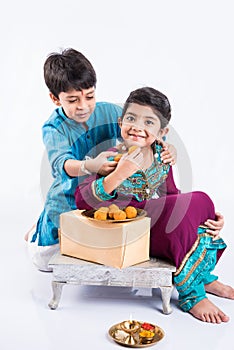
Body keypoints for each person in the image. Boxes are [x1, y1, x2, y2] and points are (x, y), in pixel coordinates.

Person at [75, 86, 234, 323]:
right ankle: (192, 294)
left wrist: (203, 217)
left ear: (162, 131)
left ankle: (203, 276)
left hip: (154, 224)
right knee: (188, 207)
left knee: (201, 201)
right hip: (127, 232)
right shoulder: (111, 157)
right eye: (131, 118)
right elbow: (81, 200)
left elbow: (172, 196)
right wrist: (118, 175)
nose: (138, 127)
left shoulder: (162, 157)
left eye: (149, 122)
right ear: (121, 122)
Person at [25, 49, 177, 272]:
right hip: (66, 199)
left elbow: (139, 129)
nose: (84, 106)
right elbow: (62, 164)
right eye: (73, 100)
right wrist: (89, 165)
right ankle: (34, 234)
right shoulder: (54, 128)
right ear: (55, 99)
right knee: (45, 261)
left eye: (89, 96)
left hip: (103, 196)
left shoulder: (107, 112)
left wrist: (166, 145)